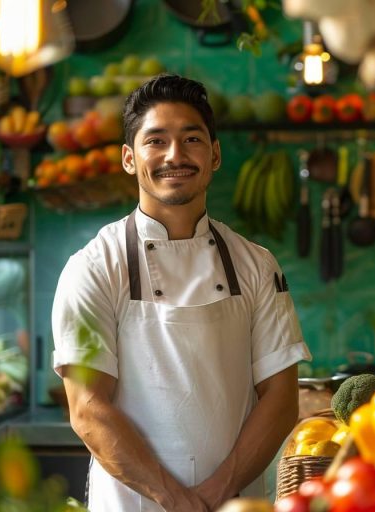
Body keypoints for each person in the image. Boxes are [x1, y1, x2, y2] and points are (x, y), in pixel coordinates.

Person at [52, 74, 311, 511]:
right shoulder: (93, 267)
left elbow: (282, 400)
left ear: (214, 155)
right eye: (156, 141)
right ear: (129, 158)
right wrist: (175, 499)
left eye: (191, 139)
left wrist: (213, 495)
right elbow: (88, 409)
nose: (175, 155)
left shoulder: (257, 264)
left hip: (234, 502)